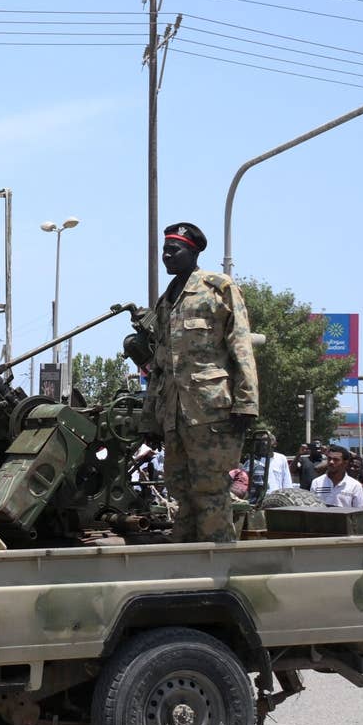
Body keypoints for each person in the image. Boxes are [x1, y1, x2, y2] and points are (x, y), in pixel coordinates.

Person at [140, 222, 259, 544]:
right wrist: (151, 416)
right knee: (180, 493)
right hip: (176, 416)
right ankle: (187, 565)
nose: (166, 256)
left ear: (193, 252)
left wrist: (247, 402)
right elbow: (161, 365)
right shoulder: (166, 301)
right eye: (164, 250)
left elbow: (241, 345)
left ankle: (218, 568)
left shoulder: (217, 288)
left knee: (211, 493)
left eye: (173, 250)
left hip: (212, 413)